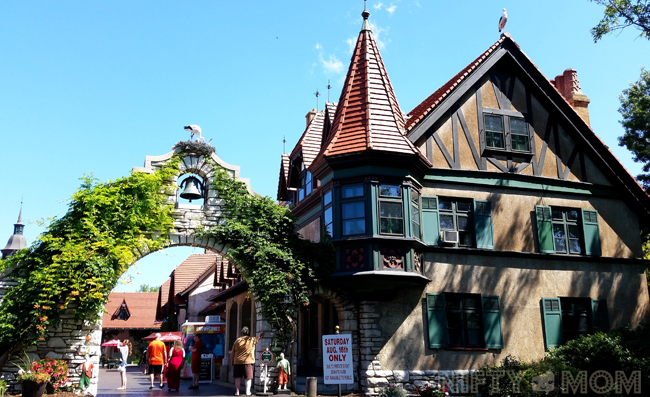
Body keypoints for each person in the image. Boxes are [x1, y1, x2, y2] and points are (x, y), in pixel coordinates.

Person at [230, 327, 264, 396]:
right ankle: (248, 392)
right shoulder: (251, 340)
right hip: (248, 361)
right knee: (248, 378)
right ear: (248, 333)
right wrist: (261, 335)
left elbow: (233, 353)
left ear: (241, 333)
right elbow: (258, 338)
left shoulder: (237, 341)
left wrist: (232, 361)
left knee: (237, 377)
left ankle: (237, 392)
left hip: (237, 361)